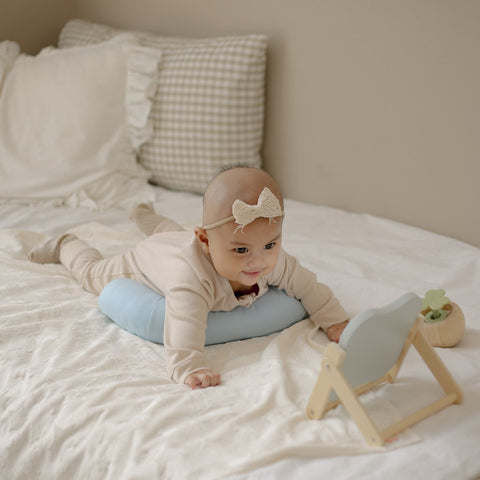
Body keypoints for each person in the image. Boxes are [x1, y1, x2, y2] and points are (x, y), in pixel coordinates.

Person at [29, 167, 349, 389]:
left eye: (270, 244)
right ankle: (66, 244)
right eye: (240, 250)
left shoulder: (272, 261)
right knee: (92, 274)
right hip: (149, 260)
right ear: (206, 242)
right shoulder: (191, 279)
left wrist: (333, 320)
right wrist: (190, 368)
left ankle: (144, 214)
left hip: (181, 239)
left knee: (173, 233)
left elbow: (309, 286)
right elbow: (183, 327)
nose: (258, 261)